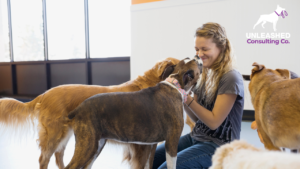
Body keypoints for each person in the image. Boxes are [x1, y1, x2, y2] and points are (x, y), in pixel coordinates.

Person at [152, 22, 244, 169]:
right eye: (197, 49)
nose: (199, 54)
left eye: (205, 49)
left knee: (166, 167)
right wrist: (180, 94)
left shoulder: (231, 77)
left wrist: (185, 96)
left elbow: (213, 122)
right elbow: (196, 118)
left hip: (220, 146)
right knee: (151, 159)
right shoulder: (205, 73)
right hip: (197, 136)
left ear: (221, 48)